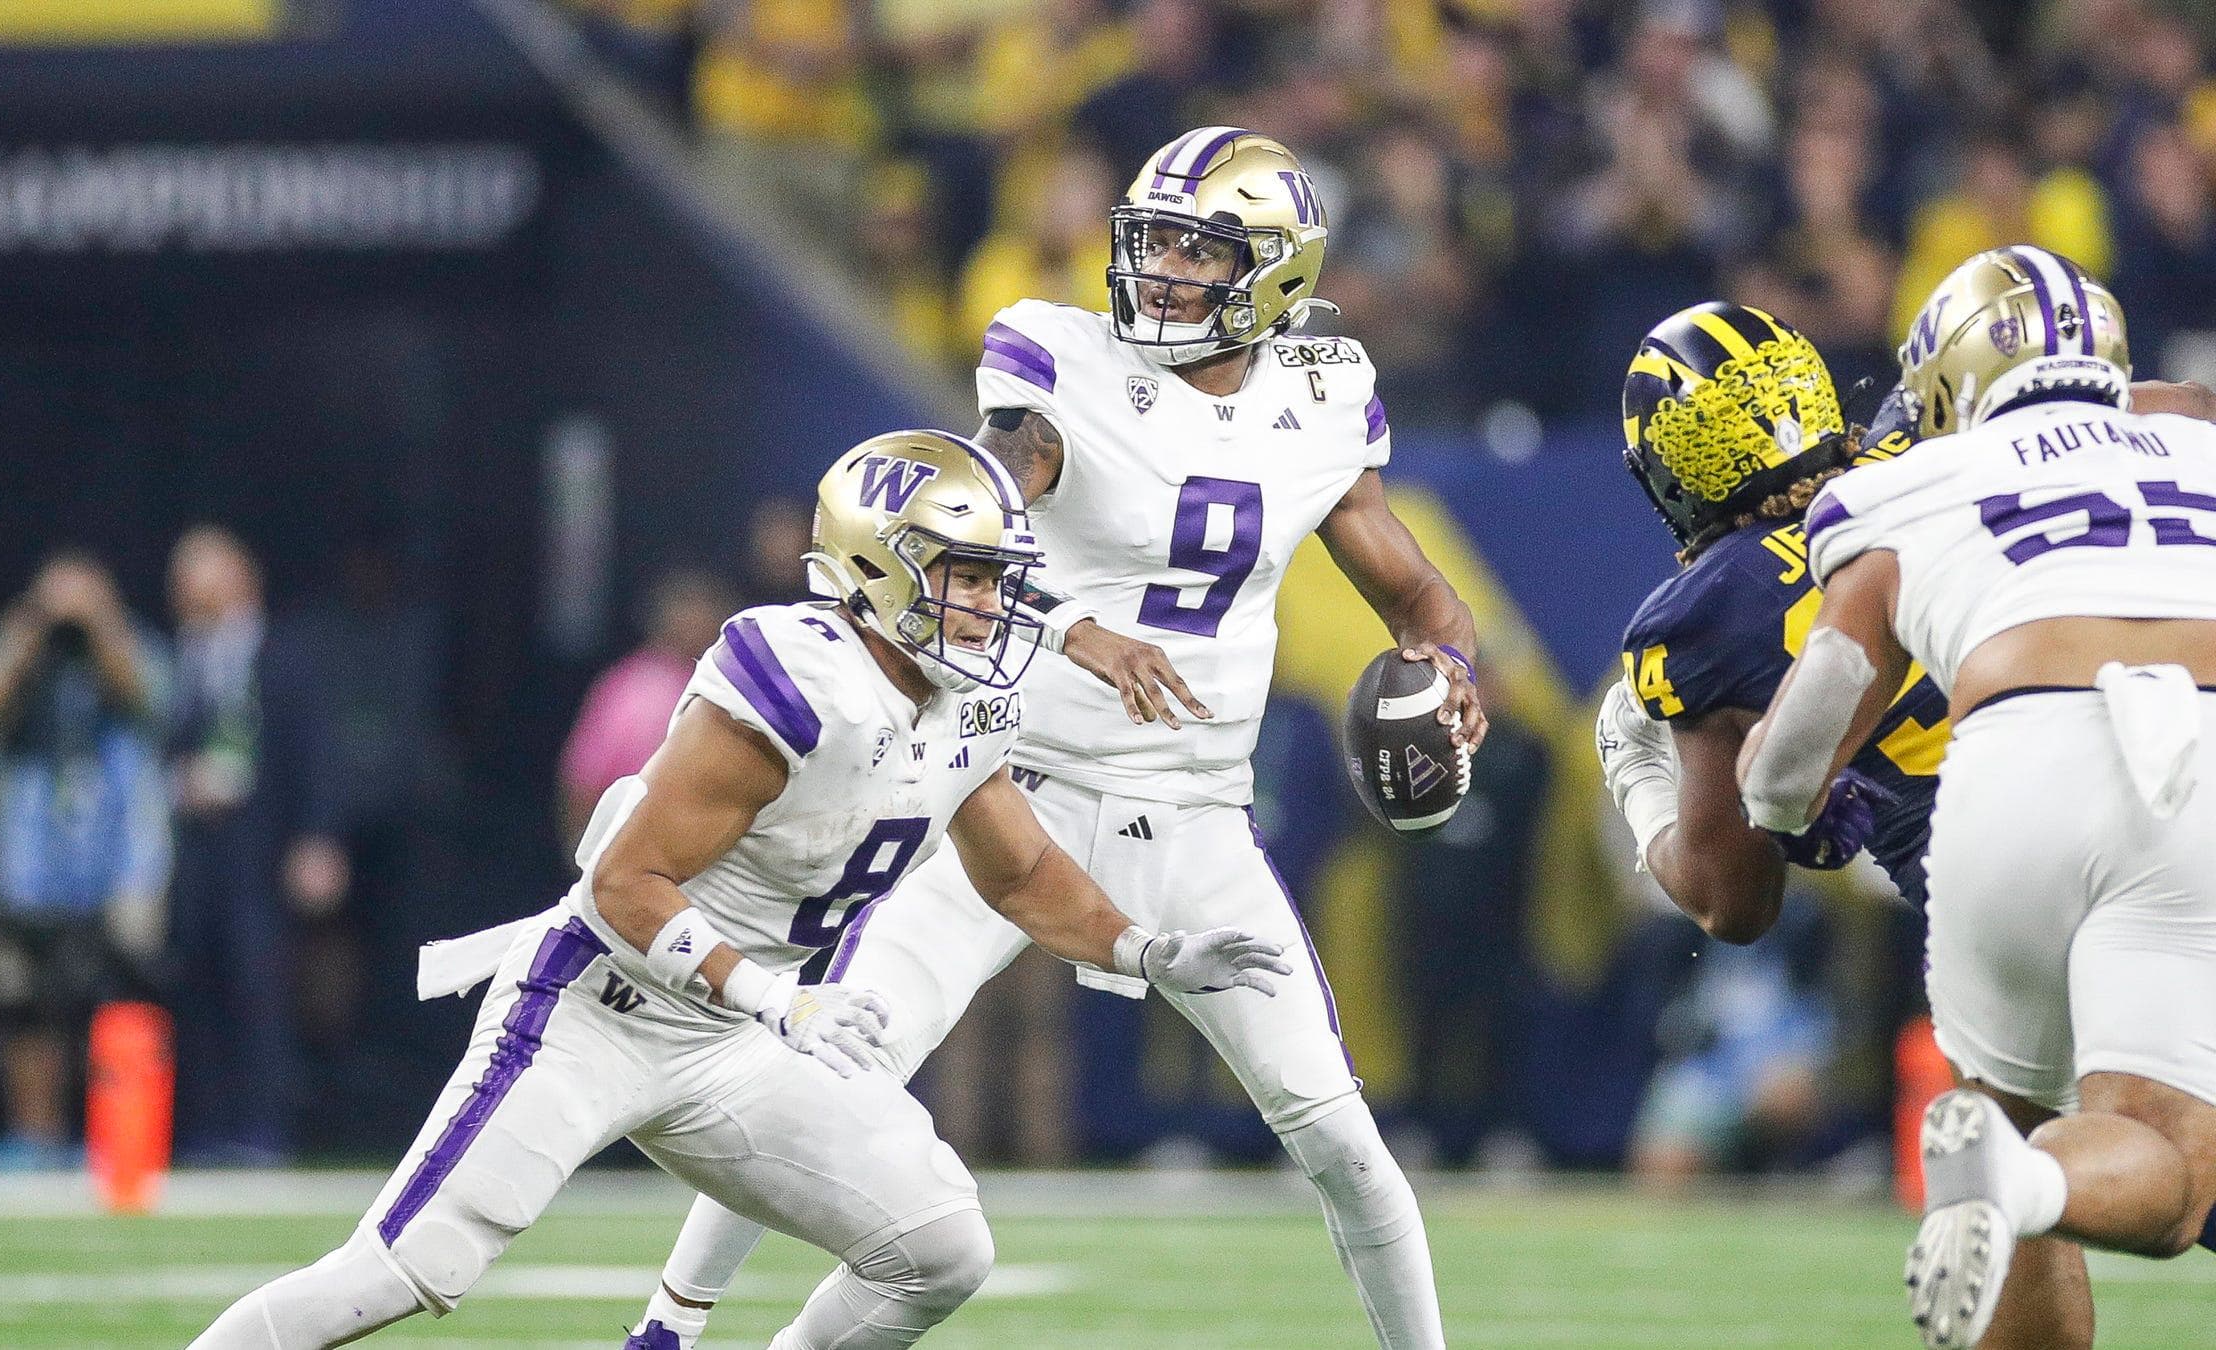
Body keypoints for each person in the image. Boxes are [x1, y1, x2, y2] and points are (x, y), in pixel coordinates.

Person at [626, 127, 1484, 1350]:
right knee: (836, 1061)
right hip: (1001, 786)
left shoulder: (1322, 397)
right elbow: (946, 531)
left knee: (1336, 1131)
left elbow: (1415, 595)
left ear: (1278, 275)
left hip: (1193, 812)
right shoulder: (1065, 365)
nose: (1165, 272)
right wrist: (1079, 629)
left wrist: (1450, 669)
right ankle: (666, 1329)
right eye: (1157, 242)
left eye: (1201, 250)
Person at [190, 430, 1286, 1349]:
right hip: (601, 1010)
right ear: (880, 565)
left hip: (734, 1040)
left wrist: (1146, 951)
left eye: (998, 577)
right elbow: (623, 882)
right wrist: (776, 999)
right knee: (397, 1271)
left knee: (941, 1248)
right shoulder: (801, 677)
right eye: (967, 575)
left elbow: (1025, 872)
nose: (990, 605)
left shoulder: (962, 705)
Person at [1737, 246, 2216, 1350]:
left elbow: (1783, 774)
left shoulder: (1904, 485)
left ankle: (2006, 1167)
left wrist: (1781, 805)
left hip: (2007, 773)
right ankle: (2019, 1180)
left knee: (2014, 1129)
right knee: (2167, 1171)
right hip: (2189, 754)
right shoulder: (2194, 436)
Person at [1595, 301, 1949, 948]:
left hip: (1987, 884)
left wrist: (1636, 776)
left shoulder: (1706, 615)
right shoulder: (1933, 428)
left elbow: (1730, 903)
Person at [0, 549, 170, 1169]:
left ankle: (113, 1136)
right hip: (30, 857)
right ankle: (35, 1136)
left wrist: (99, 625)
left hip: (115, 855)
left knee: (110, 1000)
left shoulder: (129, 644)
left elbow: (157, 707)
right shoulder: (20, 648)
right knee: (27, 1002)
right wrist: (28, 633)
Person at [164, 525, 349, 1164]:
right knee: (197, 982)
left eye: (202, 570)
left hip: (261, 848)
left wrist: (319, 838)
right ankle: (203, 1129)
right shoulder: (181, 658)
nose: (187, 586)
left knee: (258, 984)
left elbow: (317, 753)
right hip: (194, 850)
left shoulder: (283, 654)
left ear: (241, 576)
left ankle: (263, 1129)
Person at [558, 568, 737, 848]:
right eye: (687, 606)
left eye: (706, 607)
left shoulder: (726, 687)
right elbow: (583, 778)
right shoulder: (630, 687)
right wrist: (579, 853)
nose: (697, 619)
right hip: (628, 849)